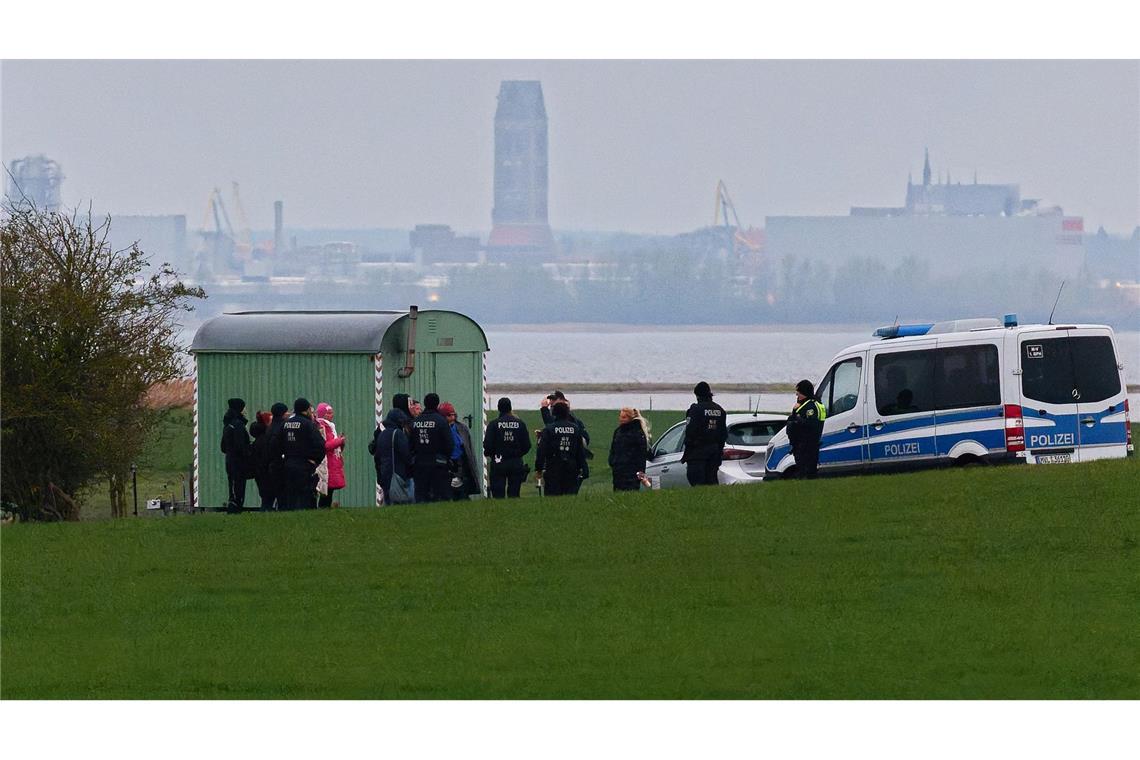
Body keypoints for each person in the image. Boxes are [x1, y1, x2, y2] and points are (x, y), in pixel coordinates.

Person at [279, 397, 327, 510]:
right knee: (304, 495)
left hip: (288, 463)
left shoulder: (285, 424)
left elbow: (277, 443)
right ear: (305, 410)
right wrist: (315, 461)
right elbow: (320, 445)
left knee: (291, 494)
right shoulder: (308, 424)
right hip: (304, 464)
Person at [535, 401, 588, 497]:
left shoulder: (549, 429)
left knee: (552, 498)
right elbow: (580, 451)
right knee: (569, 498)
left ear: (554, 413)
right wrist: (584, 467)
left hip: (553, 467)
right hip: (571, 467)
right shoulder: (575, 429)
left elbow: (541, 450)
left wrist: (539, 468)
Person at [483, 397, 531, 499]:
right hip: (516, 462)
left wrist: (491, 454)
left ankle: (499, 512)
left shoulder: (494, 425)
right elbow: (527, 445)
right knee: (514, 493)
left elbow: (487, 445)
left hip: (498, 461)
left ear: (499, 408)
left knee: (498, 494)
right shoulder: (520, 424)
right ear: (510, 408)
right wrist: (518, 454)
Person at [681, 381, 727, 486]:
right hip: (714, 453)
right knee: (712, 482)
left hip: (697, 453)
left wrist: (689, 447)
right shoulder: (720, 410)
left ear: (697, 395)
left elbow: (690, 431)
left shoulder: (696, 410)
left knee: (697, 483)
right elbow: (723, 434)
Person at [410, 393, 453, 502]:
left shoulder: (415, 422)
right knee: (439, 495)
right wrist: (447, 458)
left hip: (419, 463)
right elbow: (449, 444)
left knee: (421, 495)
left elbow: (410, 444)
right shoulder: (441, 421)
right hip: (438, 463)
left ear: (425, 404)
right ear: (437, 404)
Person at [786, 379, 827, 479]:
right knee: (802, 469)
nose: (797, 395)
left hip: (807, 444)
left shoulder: (811, 406)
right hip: (799, 444)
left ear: (804, 392)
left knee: (807, 471)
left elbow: (811, 424)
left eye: (798, 392)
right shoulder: (802, 405)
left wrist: (797, 419)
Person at [440, 402, 480, 500]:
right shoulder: (441, 429)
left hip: (460, 462)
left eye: (454, 415)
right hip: (446, 463)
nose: (452, 418)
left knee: (461, 491)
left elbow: (468, 448)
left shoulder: (462, 428)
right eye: (449, 415)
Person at [373, 407, 413, 505]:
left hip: (384, 471)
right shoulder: (398, 434)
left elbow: (377, 456)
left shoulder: (382, 434)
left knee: (389, 500)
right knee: (401, 499)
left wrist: (379, 475)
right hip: (398, 471)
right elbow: (406, 455)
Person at [220, 397, 252, 512]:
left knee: (232, 486)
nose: (245, 410)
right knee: (239, 487)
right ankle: (236, 508)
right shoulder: (238, 425)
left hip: (230, 460)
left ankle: (234, 505)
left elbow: (223, 447)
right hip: (238, 462)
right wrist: (248, 453)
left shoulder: (228, 425)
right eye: (243, 407)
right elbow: (240, 446)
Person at [609, 407, 651, 492]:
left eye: (624, 417)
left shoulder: (637, 433)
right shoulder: (618, 431)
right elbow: (613, 449)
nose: (621, 419)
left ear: (630, 418)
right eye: (620, 417)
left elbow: (641, 455)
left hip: (632, 473)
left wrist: (640, 474)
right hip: (618, 472)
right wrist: (612, 461)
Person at [315, 402, 347, 508]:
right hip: (327, 463)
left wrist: (340, 443)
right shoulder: (322, 426)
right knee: (326, 491)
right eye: (328, 413)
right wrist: (339, 440)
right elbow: (326, 445)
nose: (331, 415)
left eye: (331, 413)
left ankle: (325, 510)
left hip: (332, 462)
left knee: (329, 490)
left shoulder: (330, 427)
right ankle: (323, 510)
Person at [248, 410, 277, 510]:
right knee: (268, 498)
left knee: (265, 497)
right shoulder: (265, 439)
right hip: (266, 472)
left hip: (259, 472)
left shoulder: (259, 439)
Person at [264, 402, 289, 510]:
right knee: (283, 492)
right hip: (280, 463)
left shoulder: (270, 427)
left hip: (271, 463)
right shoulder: (282, 427)